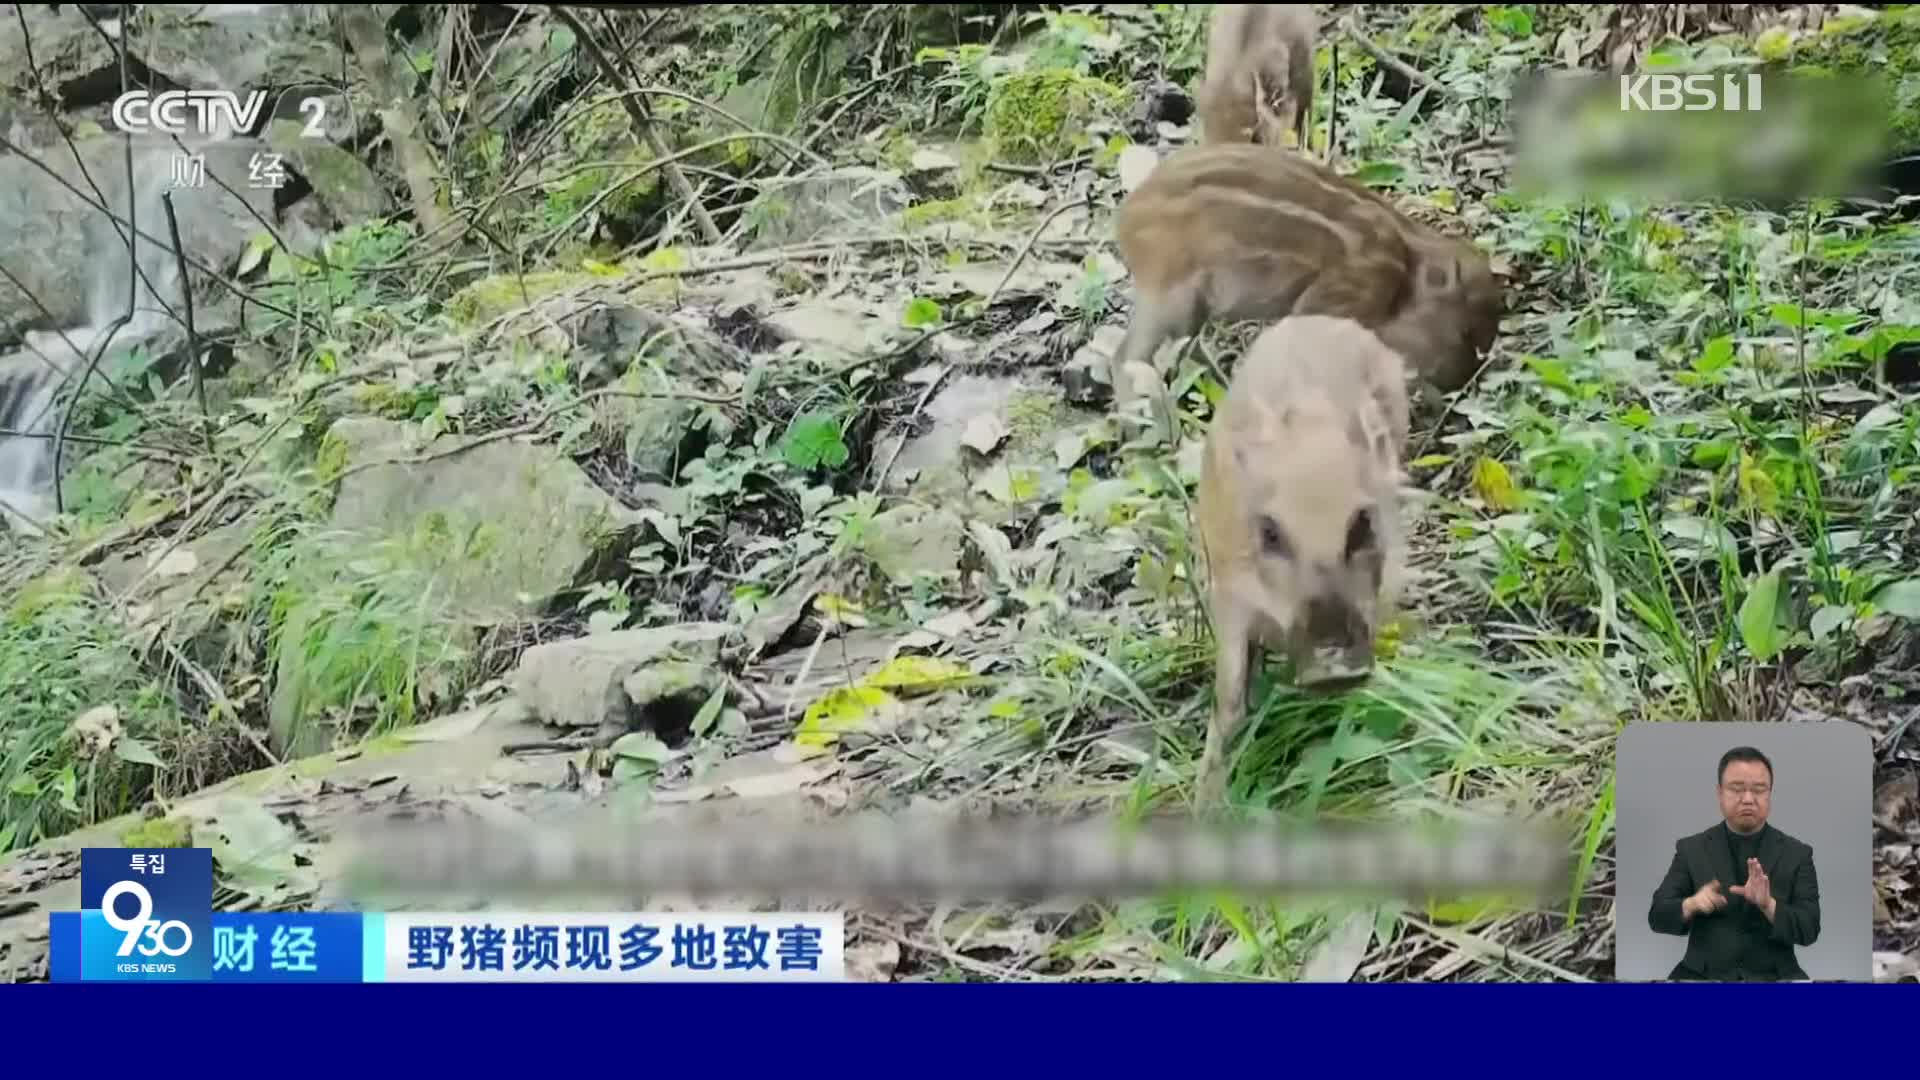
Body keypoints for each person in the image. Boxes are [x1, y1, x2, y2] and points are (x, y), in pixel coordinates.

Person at [1646, 746, 1821, 980]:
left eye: (1759, 790)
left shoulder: (1797, 854)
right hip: (1702, 975)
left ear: (1770, 794)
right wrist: (1692, 904)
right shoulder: (1691, 849)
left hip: (1776, 976)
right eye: (1736, 789)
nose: (1748, 799)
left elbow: (1809, 929)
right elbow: (1657, 916)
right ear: (1719, 793)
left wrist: (1769, 905)